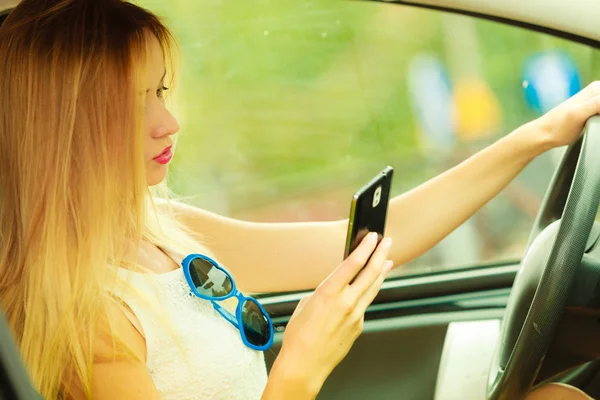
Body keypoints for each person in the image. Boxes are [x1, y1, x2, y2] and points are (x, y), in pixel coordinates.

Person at [0, 0, 599, 399]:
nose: (169, 121)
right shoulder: (86, 319)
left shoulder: (159, 229)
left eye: (159, 91)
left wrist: (542, 133)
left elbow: (375, 237)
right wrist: (301, 365)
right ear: (61, 132)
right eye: (134, 105)